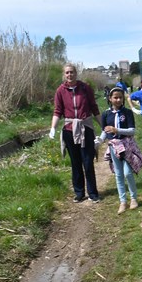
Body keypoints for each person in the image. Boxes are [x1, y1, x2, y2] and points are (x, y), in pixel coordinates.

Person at [50, 63, 103, 203]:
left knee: (87, 162)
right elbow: (57, 111)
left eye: (72, 72)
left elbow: (94, 108)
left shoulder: (85, 88)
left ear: (76, 73)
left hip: (86, 128)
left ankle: (93, 193)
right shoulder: (60, 91)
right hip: (69, 130)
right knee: (76, 163)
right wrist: (53, 128)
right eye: (67, 72)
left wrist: (103, 125)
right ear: (64, 74)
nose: (69, 75)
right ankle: (79, 192)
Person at [99, 86, 142, 214]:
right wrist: (98, 142)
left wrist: (117, 130)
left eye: (120, 97)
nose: (118, 100)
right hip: (113, 146)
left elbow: (132, 131)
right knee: (118, 174)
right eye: (115, 97)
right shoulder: (106, 114)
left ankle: (134, 198)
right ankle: (123, 201)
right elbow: (104, 131)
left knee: (128, 173)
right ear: (110, 99)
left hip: (127, 145)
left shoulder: (127, 113)